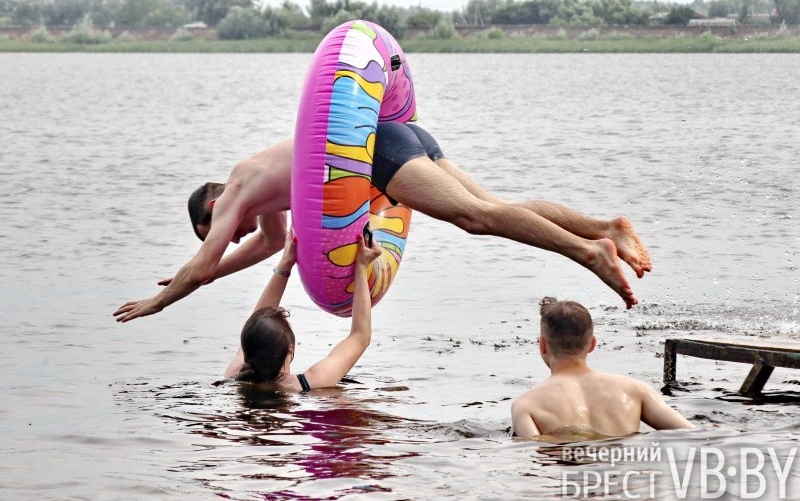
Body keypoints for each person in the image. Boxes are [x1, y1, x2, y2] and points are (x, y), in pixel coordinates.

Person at [115, 123, 651, 322]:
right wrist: (203, 269)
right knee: (496, 206)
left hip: (376, 155)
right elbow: (262, 249)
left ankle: (589, 253)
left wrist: (161, 299)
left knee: (476, 219)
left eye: (217, 231)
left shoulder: (234, 188)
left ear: (212, 209)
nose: (230, 234)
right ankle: (605, 227)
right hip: (399, 136)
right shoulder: (262, 201)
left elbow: (206, 264)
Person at [511, 297, 693, 439]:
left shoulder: (526, 406)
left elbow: (534, 457)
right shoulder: (636, 390)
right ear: (592, 344)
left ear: (542, 345)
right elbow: (692, 434)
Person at [224, 230, 382, 390]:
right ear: (290, 350)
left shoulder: (233, 376)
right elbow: (360, 336)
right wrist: (361, 266)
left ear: (246, 349)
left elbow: (257, 320)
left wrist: (285, 262)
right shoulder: (307, 384)